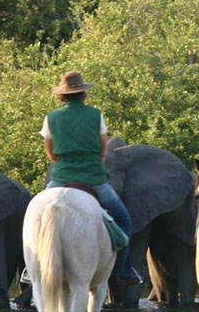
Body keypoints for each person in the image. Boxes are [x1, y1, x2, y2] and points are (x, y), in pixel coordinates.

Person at [41, 71, 138, 288]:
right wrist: (95, 159)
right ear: (83, 92)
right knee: (124, 221)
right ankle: (122, 270)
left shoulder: (51, 117)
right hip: (94, 177)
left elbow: (50, 152)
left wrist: (62, 160)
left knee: (38, 218)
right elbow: (103, 147)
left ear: (62, 95)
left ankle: (31, 269)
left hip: (61, 177)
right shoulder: (96, 115)